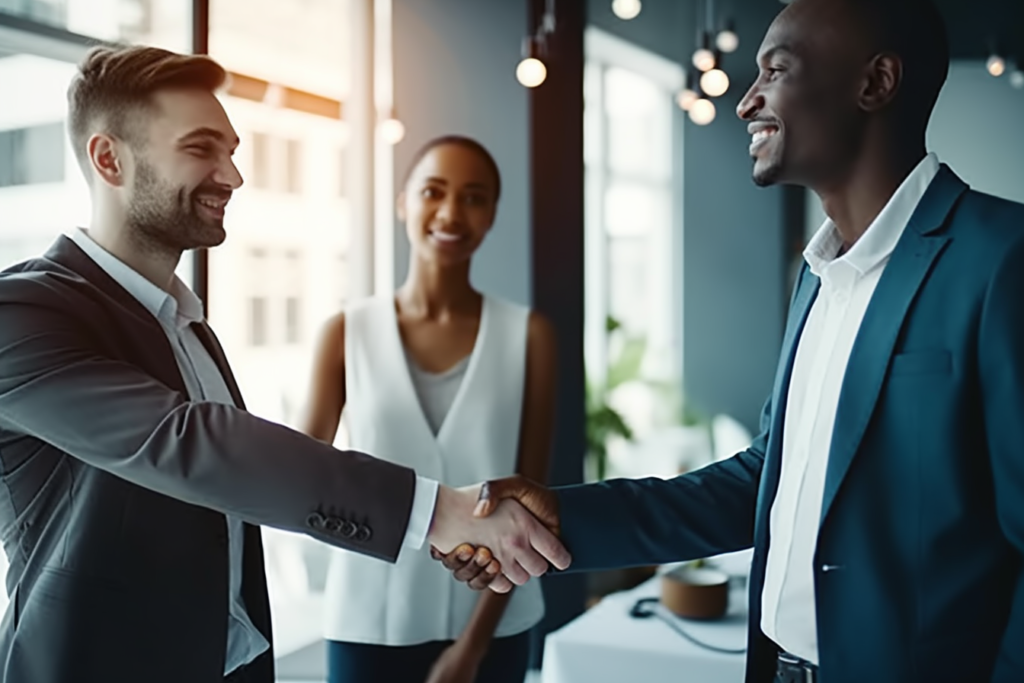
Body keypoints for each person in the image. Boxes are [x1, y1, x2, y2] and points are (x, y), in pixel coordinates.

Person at [440, 1, 1024, 682]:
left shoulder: (1001, 260)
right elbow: (761, 482)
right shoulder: (816, 278)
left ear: (876, 84)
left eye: (774, 70)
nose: (747, 102)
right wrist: (564, 512)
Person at [0, 46, 568, 683]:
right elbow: (187, 443)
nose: (233, 176)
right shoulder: (19, 312)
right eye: (201, 148)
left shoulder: (188, 327)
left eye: (232, 150)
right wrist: (437, 513)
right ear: (109, 159)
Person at [300, 135, 557, 683]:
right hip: (367, 621)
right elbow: (301, 481)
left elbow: (532, 497)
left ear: (491, 215)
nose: (450, 212)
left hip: (495, 623)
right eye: (433, 192)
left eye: (473, 197)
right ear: (402, 203)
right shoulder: (346, 333)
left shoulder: (528, 335)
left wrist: (472, 650)